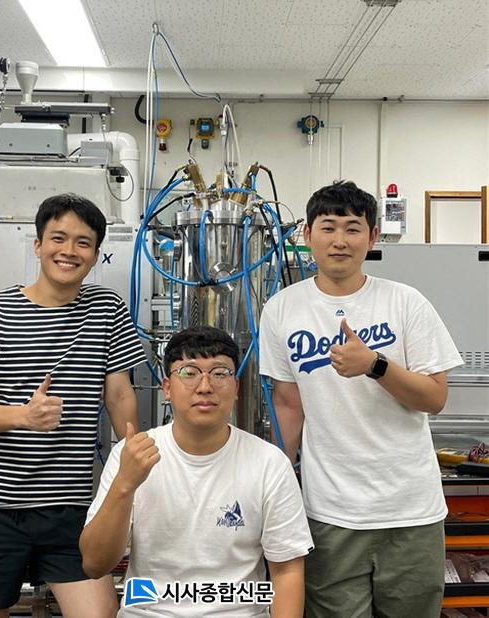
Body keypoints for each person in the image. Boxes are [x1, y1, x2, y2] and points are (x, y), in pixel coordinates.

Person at [259, 180, 463, 618]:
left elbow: (435, 397)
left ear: (371, 237)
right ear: (307, 235)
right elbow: (288, 404)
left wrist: (376, 365)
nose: (339, 240)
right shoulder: (282, 308)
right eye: (328, 227)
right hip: (330, 512)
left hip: (410, 511)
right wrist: (277, 482)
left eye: (352, 228)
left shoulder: (406, 302)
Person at [0, 193, 147, 618]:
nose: (69, 251)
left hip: (68, 506)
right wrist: (25, 415)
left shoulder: (107, 309)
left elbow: (119, 394)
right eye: (58, 238)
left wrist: (135, 462)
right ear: (37, 245)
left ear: (96, 254)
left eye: (83, 242)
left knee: (99, 614)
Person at [80, 326, 313, 617]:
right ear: (167, 388)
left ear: (236, 388)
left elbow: (287, 571)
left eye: (219, 373)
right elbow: (94, 564)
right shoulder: (130, 457)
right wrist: (124, 485)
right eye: (189, 373)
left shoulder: (269, 463)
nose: (205, 386)